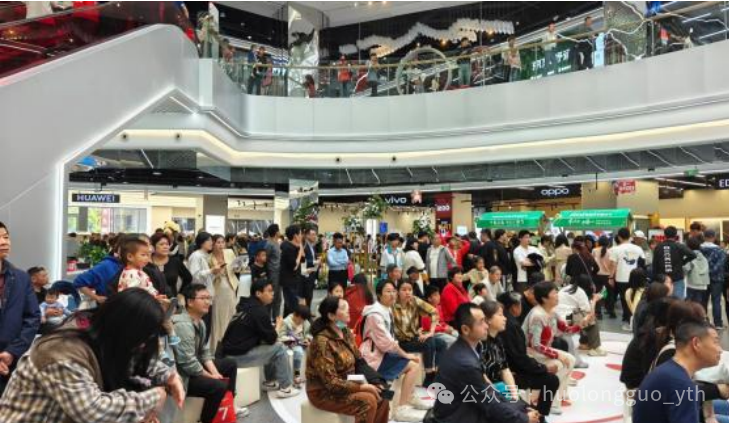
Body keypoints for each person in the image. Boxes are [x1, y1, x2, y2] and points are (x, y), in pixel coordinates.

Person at [0, 288, 184, 422]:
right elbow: (93, 411)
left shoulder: (100, 332)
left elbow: (134, 358)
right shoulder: (62, 352)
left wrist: (169, 375)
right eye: (139, 338)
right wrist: (155, 397)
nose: (142, 345)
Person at [433, 303, 540, 423]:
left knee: (526, 409)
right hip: (458, 416)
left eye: (485, 320)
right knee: (527, 417)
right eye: (481, 322)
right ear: (465, 329)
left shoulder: (469, 349)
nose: (486, 325)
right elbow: (489, 404)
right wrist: (524, 418)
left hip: (468, 406)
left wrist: (519, 407)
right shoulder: (465, 363)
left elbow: (489, 390)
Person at [306, 296, 390, 423]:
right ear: (331, 316)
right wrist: (362, 387)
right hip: (323, 392)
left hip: (347, 382)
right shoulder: (321, 342)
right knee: (368, 401)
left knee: (383, 395)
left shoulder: (345, 331)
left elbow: (359, 360)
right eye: (343, 308)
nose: (348, 310)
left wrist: (375, 381)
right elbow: (331, 383)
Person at [174, 284, 245, 423]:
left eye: (209, 298)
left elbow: (204, 352)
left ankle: (229, 404)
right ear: (190, 302)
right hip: (181, 376)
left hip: (191, 368)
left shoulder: (200, 323)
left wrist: (215, 373)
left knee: (230, 364)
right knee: (218, 386)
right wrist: (212, 377)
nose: (208, 302)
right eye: (203, 298)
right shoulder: (182, 325)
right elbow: (188, 364)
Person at [359, 280, 429, 422]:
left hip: (382, 353)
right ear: (379, 295)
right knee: (413, 365)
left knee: (417, 358)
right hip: (374, 358)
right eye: (388, 291)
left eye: (393, 291)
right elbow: (387, 343)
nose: (392, 294)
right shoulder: (375, 315)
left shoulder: (386, 309)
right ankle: (401, 409)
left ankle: (409, 397)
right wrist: (405, 354)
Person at [220, 279, 300, 398]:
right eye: (269, 291)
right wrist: (278, 326)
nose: (273, 293)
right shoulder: (259, 311)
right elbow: (272, 339)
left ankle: (271, 382)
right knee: (279, 348)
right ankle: (286, 388)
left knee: (270, 345)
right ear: (258, 293)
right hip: (236, 358)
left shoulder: (246, 306)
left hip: (228, 354)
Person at [633, 321, 722, 423]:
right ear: (696, 343)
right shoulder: (681, 384)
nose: (720, 349)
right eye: (716, 342)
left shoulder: (668, 371)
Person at [522, 281, 586, 414]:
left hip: (542, 350)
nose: (558, 295)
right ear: (544, 298)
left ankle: (555, 399)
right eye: (554, 293)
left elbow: (566, 329)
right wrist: (558, 355)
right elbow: (535, 344)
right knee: (560, 363)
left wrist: (580, 325)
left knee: (571, 359)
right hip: (530, 352)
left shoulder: (552, 312)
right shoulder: (537, 315)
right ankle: (549, 400)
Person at [498, 291, 560, 420]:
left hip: (514, 366)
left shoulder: (509, 323)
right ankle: (540, 416)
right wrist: (542, 367)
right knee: (551, 380)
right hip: (513, 372)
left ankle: (538, 414)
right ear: (514, 307)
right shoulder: (510, 325)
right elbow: (519, 357)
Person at [392, 279, 445, 387]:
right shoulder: (392, 305)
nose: (407, 292)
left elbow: (434, 312)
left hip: (415, 337)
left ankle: (437, 373)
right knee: (428, 342)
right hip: (402, 342)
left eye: (410, 289)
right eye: (404, 290)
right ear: (397, 292)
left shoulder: (414, 300)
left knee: (442, 343)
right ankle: (429, 375)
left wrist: (431, 332)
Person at [555, 274, 604, 360]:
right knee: (592, 319)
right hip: (567, 318)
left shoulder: (566, 288)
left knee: (581, 315)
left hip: (558, 316)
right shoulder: (580, 291)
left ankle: (583, 343)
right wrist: (595, 300)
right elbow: (590, 312)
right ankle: (595, 348)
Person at [610, 228, 646, 330]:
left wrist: (611, 277)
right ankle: (635, 320)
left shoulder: (615, 249)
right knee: (636, 299)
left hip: (621, 278)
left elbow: (613, 265)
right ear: (630, 236)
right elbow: (642, 263)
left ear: (619, 237)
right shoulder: (638, 249)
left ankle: (628, 320)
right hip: (636, 278)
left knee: (625, 300)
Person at [73, 235, 123, 307]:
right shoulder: (106, 265)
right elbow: (79, 282)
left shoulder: (130, 267)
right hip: (108, 310)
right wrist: (97, 298)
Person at [209, 234, 239, 354]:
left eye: (222, 242)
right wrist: (217, 272)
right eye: (218, 242)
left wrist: (239, 266)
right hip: (218, 288)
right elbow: (209, 277)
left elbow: (236, 269)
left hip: (231, 286)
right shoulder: (209, 258)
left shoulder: (229, 252)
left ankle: (231, 342)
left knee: (231, 313)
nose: (221, 245)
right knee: (219, 316)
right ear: (213, 244)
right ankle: (217, 345)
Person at [653, 226, 696, 300]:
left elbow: (655, 265)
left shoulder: (658, 247)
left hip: (662, 279)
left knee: (662, 302)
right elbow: (693, 255)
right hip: (677, 278)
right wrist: (683, 262)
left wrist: (655, 278)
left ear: (665, 235)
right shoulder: (679, 246)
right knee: (677, 303)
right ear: (675, 235)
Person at [149, 232, 192, 299]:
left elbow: (188, 278)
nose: (165, 247)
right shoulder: (146, 263)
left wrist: (181, 293)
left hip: (171, 300)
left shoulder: (175, 261)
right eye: (161, 244)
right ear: (153, 247)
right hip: (150, 301)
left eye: (167, 244)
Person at [277, 304, 312, 386]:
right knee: (298, 352)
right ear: (296, 315)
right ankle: (297, 374)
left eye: (303, 320)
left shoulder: (305, 322)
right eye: (300, 320)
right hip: (291, 344)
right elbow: (281, 336)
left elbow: (309, 333)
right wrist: (291, 339)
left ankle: (311, 372)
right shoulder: (286, 322)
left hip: (302, 342)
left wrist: (307, 339)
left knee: (312, 349)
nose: (302, 322)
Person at [701, 230, 727, 328]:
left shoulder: (699, 249)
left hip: (703, 278)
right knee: (716, 301)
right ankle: (718, 323)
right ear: (714, 237)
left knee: (703, 301)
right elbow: (721, 265)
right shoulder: (720, 250)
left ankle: (703, 322)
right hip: (717, 279)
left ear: (704, 237)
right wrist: (712, 271)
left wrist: (706, 272)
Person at [280, 225, 304, 317]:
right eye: (300, 234)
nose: (301, 236)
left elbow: (302, 259)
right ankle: (289, 323)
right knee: (292, 305)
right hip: (289, 281)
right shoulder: (287, 247)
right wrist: (300, 252)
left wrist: (300, 250)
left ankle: (286, 322)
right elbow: (294, 266)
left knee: (289, 305)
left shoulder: (294, 246)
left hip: (293, 279)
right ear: (295, 236)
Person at [264, 224, 283, 318]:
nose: (280, 232)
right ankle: (267, 318)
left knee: (278, 298)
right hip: (273, 273)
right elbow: (265, 258)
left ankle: (276, 318)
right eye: (278, 230)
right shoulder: (269, 244)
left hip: (279, 273)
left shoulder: (276, 243)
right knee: (272, 297)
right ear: (276, 232)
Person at [685, 236, 710, 306]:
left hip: (692, 284)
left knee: (689, 305)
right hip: (702, 285)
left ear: (688, 246)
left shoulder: (689, 256)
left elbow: (686, 268)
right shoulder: (703, 257)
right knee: (698, 304)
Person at [592, 236, 611, 319]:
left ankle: (598, 313)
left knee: (597, 294)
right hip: (607, 275)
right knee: (609, 293)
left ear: (599, 242)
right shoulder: (610, 251)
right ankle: (610, 311)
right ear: (608, 243)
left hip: (597, 275)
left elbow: (592, 262)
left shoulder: (594, 250)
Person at [301, 227, 321, 308]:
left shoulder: (312, 246)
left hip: (312, 274)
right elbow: (302, 260)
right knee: (306, 296)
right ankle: (305, 312)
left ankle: (308, 311)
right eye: (312, 234)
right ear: (307, 235)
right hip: (305, 275)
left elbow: (312, 258)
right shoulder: (304, 246)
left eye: (315, 234)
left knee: (310, 296)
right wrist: (314, 262)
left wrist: (317, 260)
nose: (314, 236)